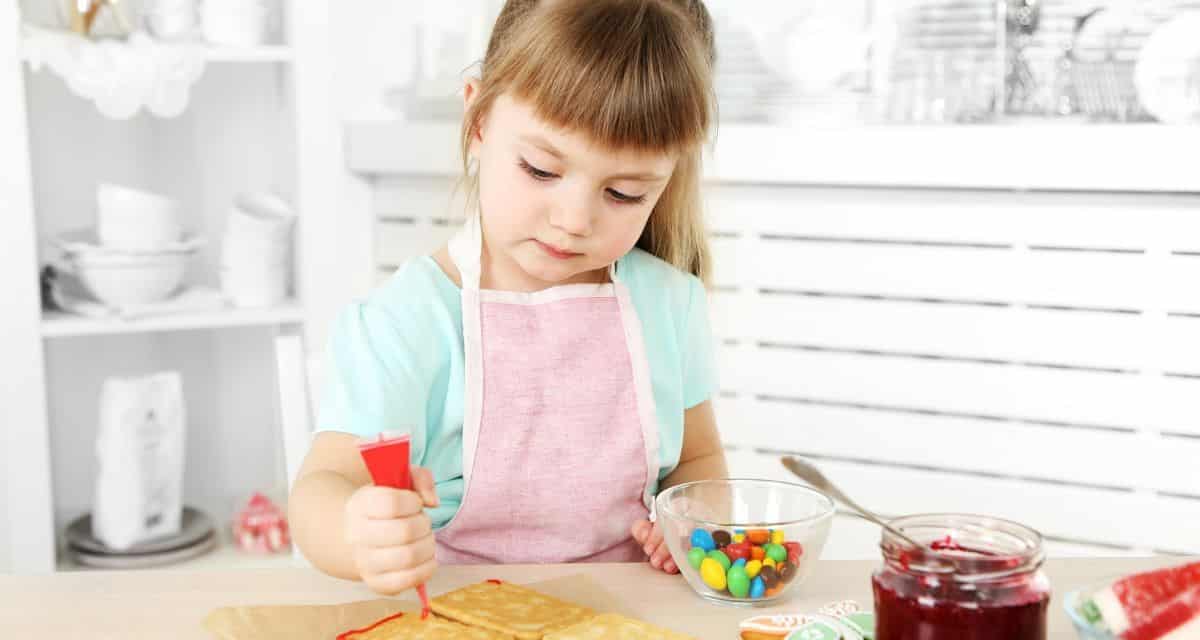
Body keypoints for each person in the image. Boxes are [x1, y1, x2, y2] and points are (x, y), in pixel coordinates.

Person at [289, 0, 726, 596]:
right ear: (477, 120)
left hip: (631, 614)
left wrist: (691, 519)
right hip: (457, 612)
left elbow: (699, 462)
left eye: (623, 193)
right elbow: (324, 485)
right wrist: (356, 532)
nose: (574, 221)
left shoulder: (670, 306)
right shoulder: (409, 319)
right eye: (541, 170)